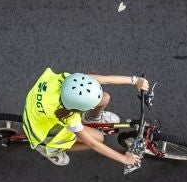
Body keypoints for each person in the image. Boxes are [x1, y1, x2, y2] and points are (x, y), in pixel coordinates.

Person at [19, 68, 149, 168]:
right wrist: (124, 159)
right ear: (78, 109)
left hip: (37, 107)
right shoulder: (69, 119)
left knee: (104, 97)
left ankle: (93, 119)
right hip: (42, 130)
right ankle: (52, 150)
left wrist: (135, 80)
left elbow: (104, 79)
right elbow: (93, 144)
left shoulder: (69, 81)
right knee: (99, 138)